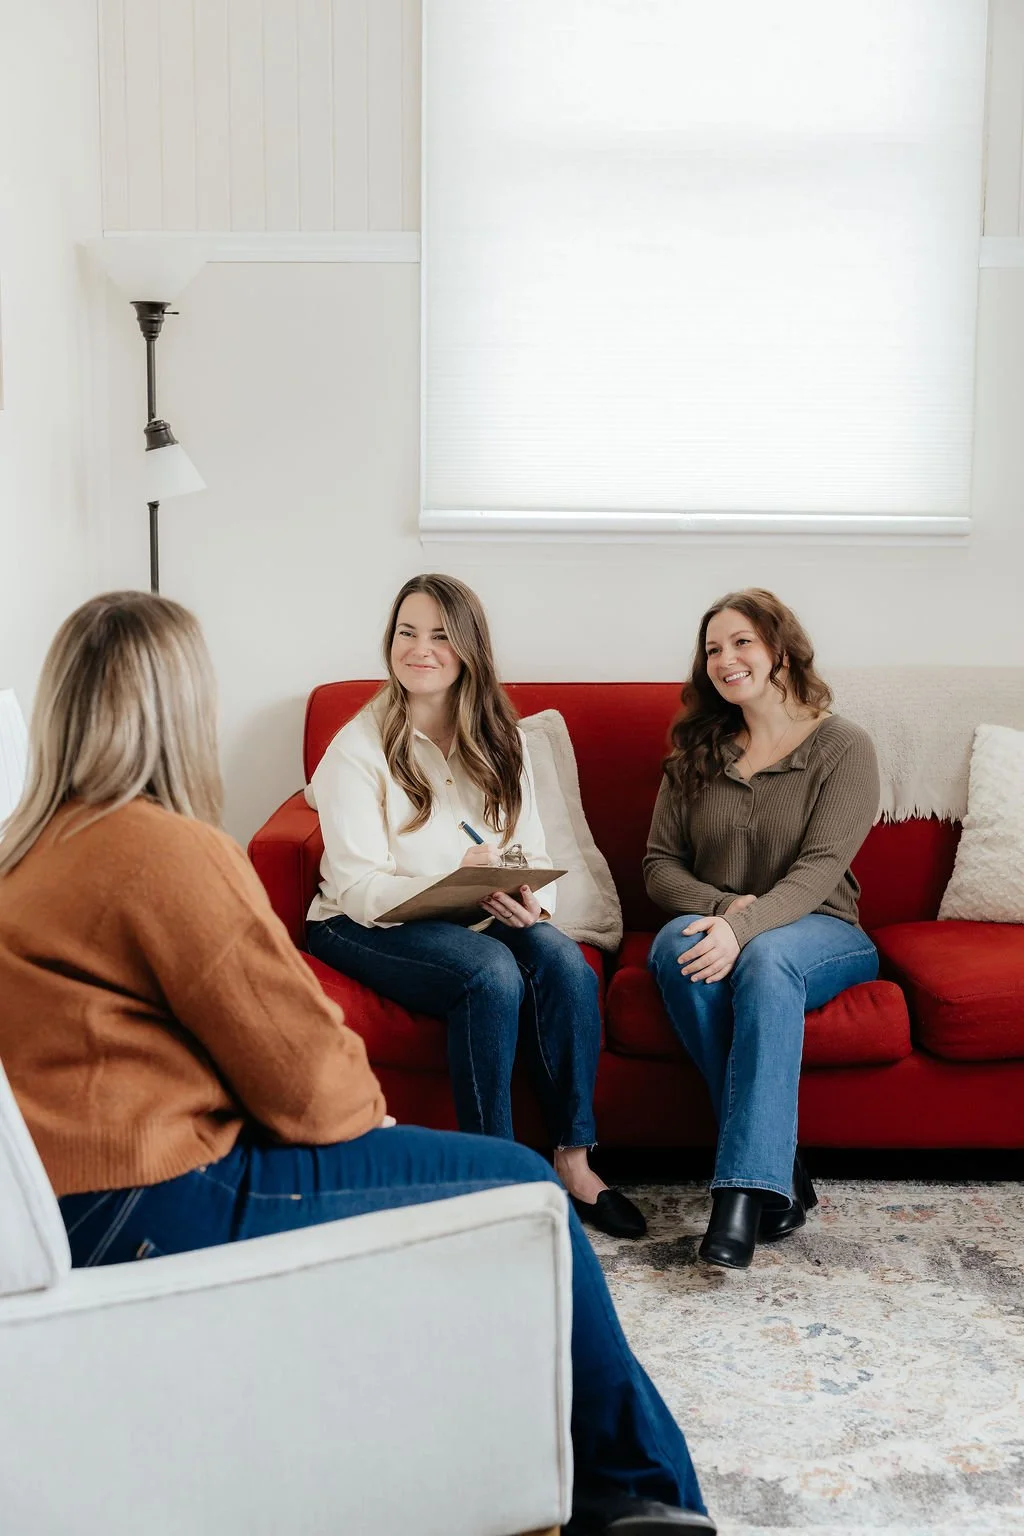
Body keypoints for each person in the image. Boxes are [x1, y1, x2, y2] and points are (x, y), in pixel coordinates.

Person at [0, 591, 713, 1536]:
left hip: (65, 1203)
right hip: (158, 1191)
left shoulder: (26, 851)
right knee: (521, 1191)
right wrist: (355, 1119)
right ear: (179, 709)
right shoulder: (166, 850)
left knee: (525, 990)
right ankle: (652, 1498)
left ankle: (538, 1465)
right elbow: (313, 1087)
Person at [306, 573, 645, 1241]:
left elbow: (529, 849)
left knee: (562, 960)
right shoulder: (357, 748)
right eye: (407, 633)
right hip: (361, 921)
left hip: (468, 908)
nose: (420, 649)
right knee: (489, 972)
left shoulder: (500, 738)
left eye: (439, 635)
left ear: (468, 649)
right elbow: (361, 888)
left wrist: (527, 899)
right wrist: (448, 878)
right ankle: (492, 1184)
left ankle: (574, 1163)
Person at [645, 589, 879, 1271]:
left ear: (779, 648)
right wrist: (721, 913)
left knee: (768, 959)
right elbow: (659, 866)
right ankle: (782, 1168)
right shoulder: (695, 750)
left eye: (741, 641)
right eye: (713, 649)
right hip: (731, 923)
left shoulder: (844, 747)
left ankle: (741, 1196)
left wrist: (743, 930)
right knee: (674, 944)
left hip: (822, 931)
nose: (726, 659)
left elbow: (818, 872)